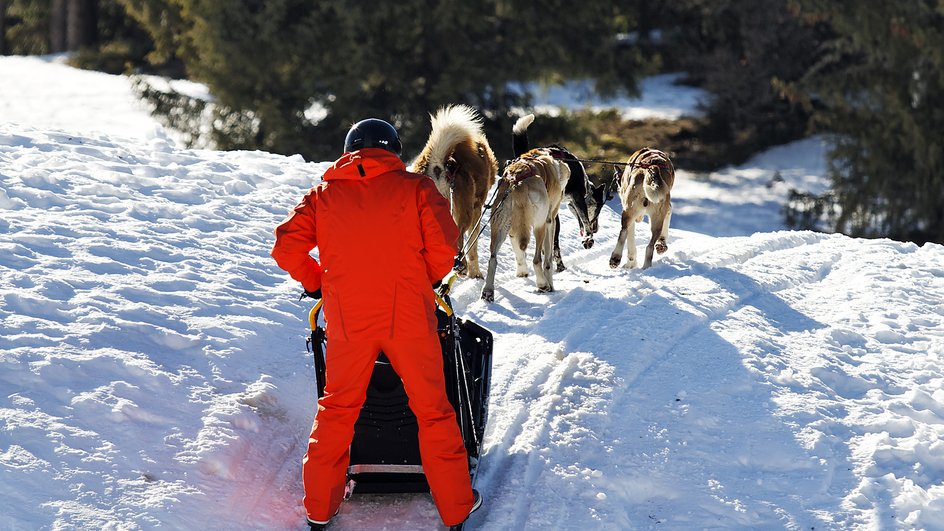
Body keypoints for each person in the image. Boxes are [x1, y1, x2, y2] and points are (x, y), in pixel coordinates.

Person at [270, 118, 481, 530]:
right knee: (433, 412)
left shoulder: (322, 196)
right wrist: (424, 279)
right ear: (394, 151)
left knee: (336, 410)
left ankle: (318, 508)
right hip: (408, 317)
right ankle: (456, 509)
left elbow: (285, 248)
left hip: (349, 320)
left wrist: (320, 283)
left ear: (349, 151)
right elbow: (444, 247)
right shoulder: (416, 189)